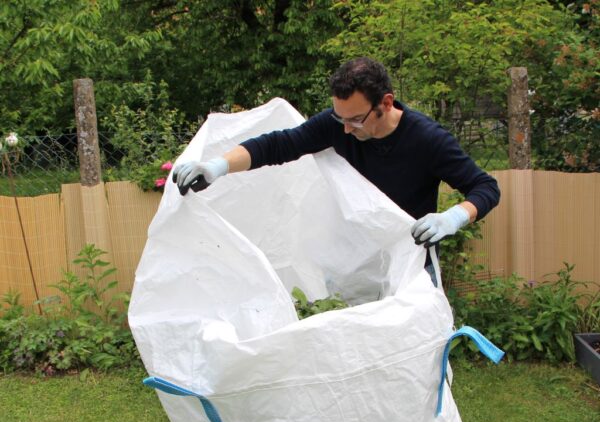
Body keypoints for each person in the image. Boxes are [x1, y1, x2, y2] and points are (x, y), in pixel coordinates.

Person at [172, 57, 500, 280]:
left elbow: (485, 188)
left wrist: (453, 217)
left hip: (410, 264)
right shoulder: (337, 124)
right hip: (352, 262)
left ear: (386, 103)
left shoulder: (428, 140)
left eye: (356, 119)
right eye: (340, 118)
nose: (345, 129)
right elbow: (278, 145)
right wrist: (218, 165)